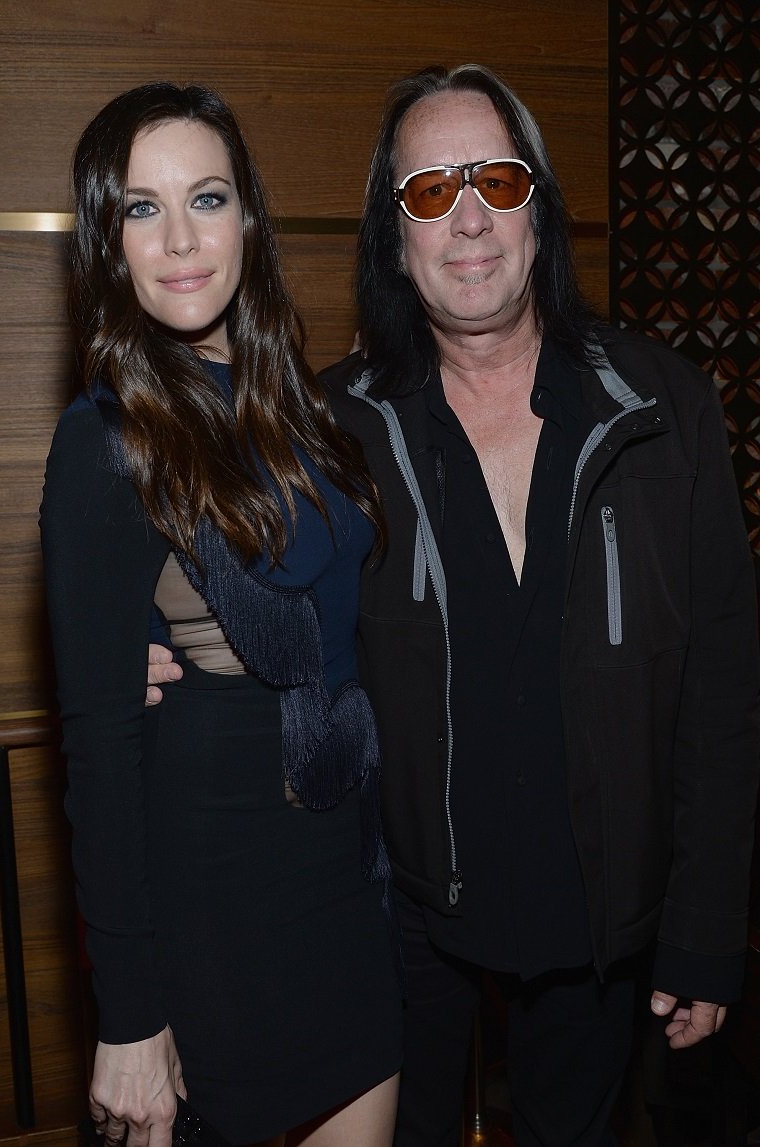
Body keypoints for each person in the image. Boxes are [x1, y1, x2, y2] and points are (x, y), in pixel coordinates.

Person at [146, 65, 760, 1146]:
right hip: (400, 924)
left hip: (603, 931)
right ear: (393, 235)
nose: (466, 216)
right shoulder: (331, 428)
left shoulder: (665, 408)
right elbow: (233, 585)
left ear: (540, 211)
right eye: (428, 190)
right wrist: (141, 647)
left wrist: (704, 931)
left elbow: (718, 689)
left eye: (495, 180)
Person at [40, 82, 401, 1147]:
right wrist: (130, 1017)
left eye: (206, 197)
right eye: (141, 209)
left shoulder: (306, 411)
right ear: (107, 240)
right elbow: (99, 745)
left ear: (249, 214)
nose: (182, 238)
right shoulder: (104, 441)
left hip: (344, 883)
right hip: (211, 903)